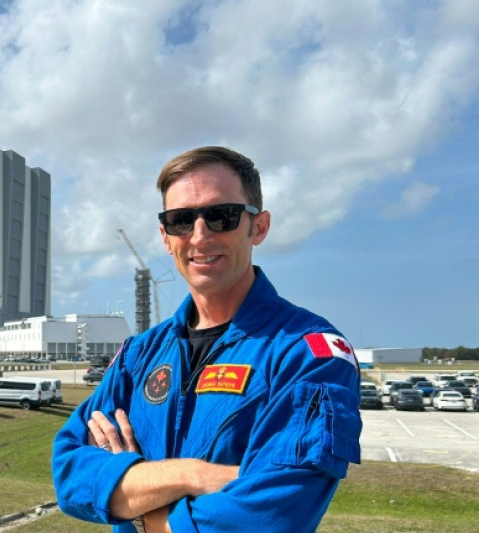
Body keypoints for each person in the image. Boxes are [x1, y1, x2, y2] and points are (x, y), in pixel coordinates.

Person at [52, 146, 362, 533]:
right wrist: (193, 475)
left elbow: (267, 518)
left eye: (221, 216)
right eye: (181, 220)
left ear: (258, 227)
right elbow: (70, 474)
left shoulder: (306, 354)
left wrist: (141, 507)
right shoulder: (139, 354)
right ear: (166, 237)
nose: (200, 236)